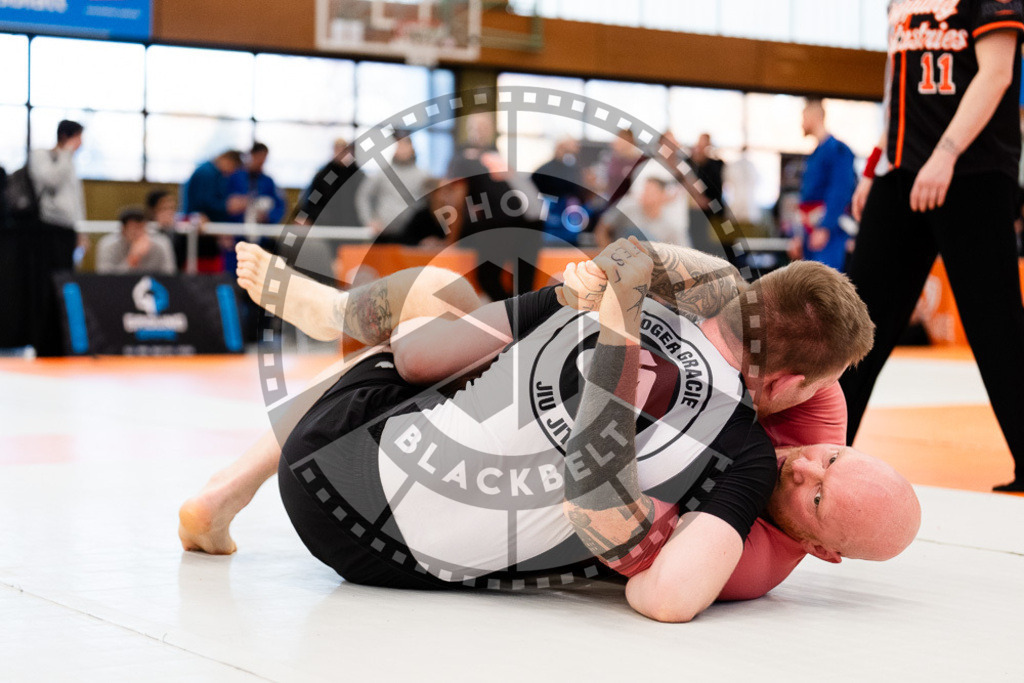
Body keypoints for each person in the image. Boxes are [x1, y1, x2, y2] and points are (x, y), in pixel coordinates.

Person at [179, 239, 919, 622]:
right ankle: (321, 344)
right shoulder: (764, 444)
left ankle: (240, 468)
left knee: (424, 327)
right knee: (441, 337)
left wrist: (611, 313)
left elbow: (418, 356)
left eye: (820, 489)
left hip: (331, 477)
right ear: (793, 390)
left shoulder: (593, 304)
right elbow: (631, 561)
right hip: (375, 549)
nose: (808, 463)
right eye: (823, 453)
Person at [842, 1, 1024, 492]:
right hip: (901, 173)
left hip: (974, 171)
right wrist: (874, 166)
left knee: (997, 325)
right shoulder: (899, 3)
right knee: (855, 323)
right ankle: (824, 450)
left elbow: (998, 73)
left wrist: (946, 155)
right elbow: (894, 89)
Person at [27, 120, 86, 356]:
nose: (82, 143)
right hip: (46, 231)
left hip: (67, 232)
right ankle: (42, 342)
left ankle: (62, 340)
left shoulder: (71, 162)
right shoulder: (42, 156)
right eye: (79, 137)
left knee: (65, 283)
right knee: (45, 286)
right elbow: (49, 180)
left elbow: (75, 201)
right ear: (67, 136)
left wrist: (81, 232)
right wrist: (65, 152)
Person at [789, 99, 857, 271]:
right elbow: (806, 198)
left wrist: (826, 227)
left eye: (803, 118)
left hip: (830, 232)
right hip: (809, 229)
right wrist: (798, 235)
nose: (801, 124)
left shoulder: (838, 150)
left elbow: (840, 190)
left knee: (827, 286)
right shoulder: (814, 155)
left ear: (813, 117)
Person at [356, 133, 433, 239]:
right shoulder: (383, 173)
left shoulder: (423, 176)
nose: (402, 149)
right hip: (384, 232)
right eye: (399, 145)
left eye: (405, 145)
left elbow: (430, 203)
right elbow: (363, 195)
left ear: (412, 148)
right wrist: (369, 220)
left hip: (413, 234)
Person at [596, 177, 688, 248]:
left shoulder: (670, 228)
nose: (645, 194)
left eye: (651, 191)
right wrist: (607, 252)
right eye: (645, 190)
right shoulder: (627, 207)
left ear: (663, 196)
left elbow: (682, 256)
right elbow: (602, 228)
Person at [95, 206, 176, 275]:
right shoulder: (108, 245)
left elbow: (170, 274)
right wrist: (132, 259)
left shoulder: (161, 244)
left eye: (142, 228)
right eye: (134, 230)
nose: (139, 234)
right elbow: (105, 279)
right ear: (123, 231)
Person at [146, 189, 188, 271]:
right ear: (152, 211)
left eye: (172, 208)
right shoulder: (144, 232)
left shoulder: (181, 233)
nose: (169, 213)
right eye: (164, 209)